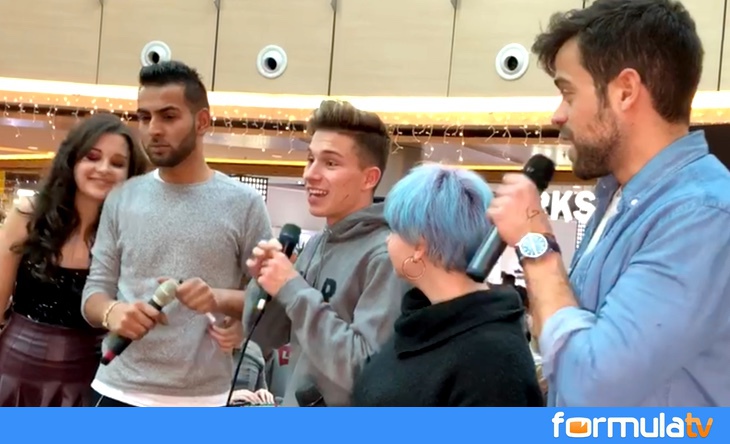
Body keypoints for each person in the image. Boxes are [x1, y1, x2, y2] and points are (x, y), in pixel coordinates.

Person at [488, 0, 730, 406]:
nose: (557, 115)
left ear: (625, 91)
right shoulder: (618, 200)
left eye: (567, 93)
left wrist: (536, 244)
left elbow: (594, 385)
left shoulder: (701, 215)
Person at [81, 60, 271, 407]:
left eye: (168, 117)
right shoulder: (122, 198)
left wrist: (228, 309)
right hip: (118, 389)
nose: (153, 129)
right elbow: (94, 292)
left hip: (205, 397)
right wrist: (112, 312)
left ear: (202, 121)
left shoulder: (244, 204)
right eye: (144, 117)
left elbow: (268, 298)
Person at [243, 100, 407, 406]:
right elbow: (263, 338)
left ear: (369, 178)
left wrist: (292, 287)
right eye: (310, 159)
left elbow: (365, 370)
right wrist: (264, 285)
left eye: (330, 163)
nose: (310, 174)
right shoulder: (316, 245)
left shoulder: (386, 256)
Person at [351, 164, 543, 407]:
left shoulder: (492, 358)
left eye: (394, 230)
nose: (388, 239)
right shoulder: (418, 322)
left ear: (419, 245)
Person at [0, 113, 148, 406]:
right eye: (92, 157)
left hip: (91, 375)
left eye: (117, 163)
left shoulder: (131, 232)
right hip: (16, 366)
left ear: (130, 175)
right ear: (72, 160)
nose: (103, 169)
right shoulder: (29, 215)